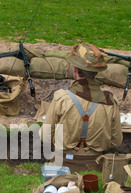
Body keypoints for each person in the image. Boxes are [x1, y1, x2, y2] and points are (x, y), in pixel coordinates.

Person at [40, 42, 123, 173]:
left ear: (74, 69)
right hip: (95, 166)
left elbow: (45, 136)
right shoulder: (110, 102)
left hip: (61, 164)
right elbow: (116, 142)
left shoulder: (61, 98)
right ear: (96, 73)